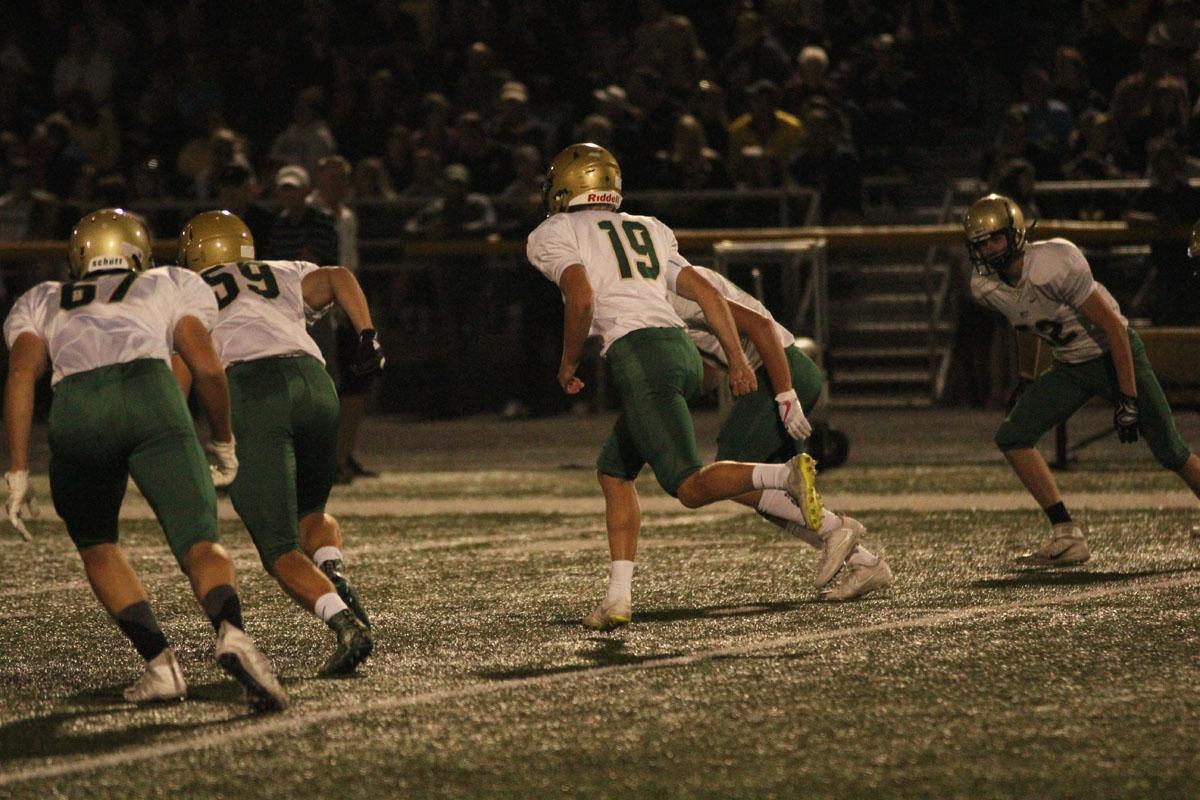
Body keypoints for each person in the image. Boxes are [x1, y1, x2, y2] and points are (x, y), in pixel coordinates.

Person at [527, 143, 854, 631]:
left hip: (651, 358)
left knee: (692, 486)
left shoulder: (553, 232)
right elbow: (703, 295)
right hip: (679, 355)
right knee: (614, 470)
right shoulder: (648, 229)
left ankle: (790, 482)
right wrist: (731, 367)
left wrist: (568, 361)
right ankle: (617, 598)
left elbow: (580, 298)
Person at [2, 208, 287, 711]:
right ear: (139, 252)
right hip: (152, 396)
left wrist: (18, 468)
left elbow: (23, 377)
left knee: (97, 544)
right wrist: (223, 440)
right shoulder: (167, 282)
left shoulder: (43, 297)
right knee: (201, 542)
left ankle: (160, 663)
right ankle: (232, 632)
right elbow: (208, 369)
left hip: (79, 410)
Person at [590, 263, 893, 623]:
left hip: (780, 372)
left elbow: (761, 328)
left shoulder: (674, 290)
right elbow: (709, 374)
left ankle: (836, 529)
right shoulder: (655, 284)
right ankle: (866, 563)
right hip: (773, 375)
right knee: (763, 495)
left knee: (730, 474)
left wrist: (784, 394)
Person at [176, 210, 381, 675]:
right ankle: (332, 566)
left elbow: (182, 372)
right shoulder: (277, 270)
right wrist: (367, 334)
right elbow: (338, 276)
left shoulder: (186, 290)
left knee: (280, 548)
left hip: (252, 392)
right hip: (313, 382)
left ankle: (345, 623)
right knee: (312, 512)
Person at [964, 194, 1200, 566]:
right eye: (981, 244)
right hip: (1070, 366)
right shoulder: (985, 285)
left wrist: (1128, 398)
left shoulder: (1053, 263)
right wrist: (1027, 376)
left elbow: (1112, 328)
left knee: (1171, 451)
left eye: (995, 239)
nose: (989, 250)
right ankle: (1066, 534)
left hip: (1114, 357)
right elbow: (1023, 322)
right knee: (1012, 436)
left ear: (1017, 234)